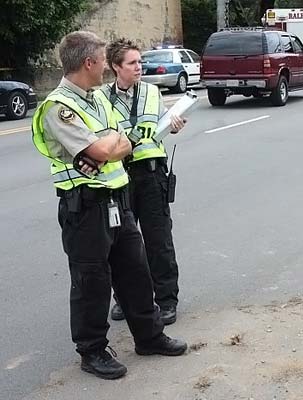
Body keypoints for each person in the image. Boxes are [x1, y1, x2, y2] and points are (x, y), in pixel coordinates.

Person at [31, 31, 187, 380]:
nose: (105, 67)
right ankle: (92, 351)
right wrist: (107, 145)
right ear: (89, 63)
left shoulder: (96, 100)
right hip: (85, 206)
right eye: (103, 60)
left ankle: (149, 337)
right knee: (92, 282)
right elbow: (105, 148)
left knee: (135, 271)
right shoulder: (59, 107)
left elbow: (123, 141)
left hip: (118, 198)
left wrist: (108, 146)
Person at [96, 38, 185, 326]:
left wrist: (174, 125)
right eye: (133, 63)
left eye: (140, 62)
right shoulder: (100, 97)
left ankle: (166, 300)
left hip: (150, 173)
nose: (139, 67)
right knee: (121, 245)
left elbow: (161, 124)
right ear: (115, 67)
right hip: (119, 176)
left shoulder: (151, 92)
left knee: (159, 240)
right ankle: (126, 299)